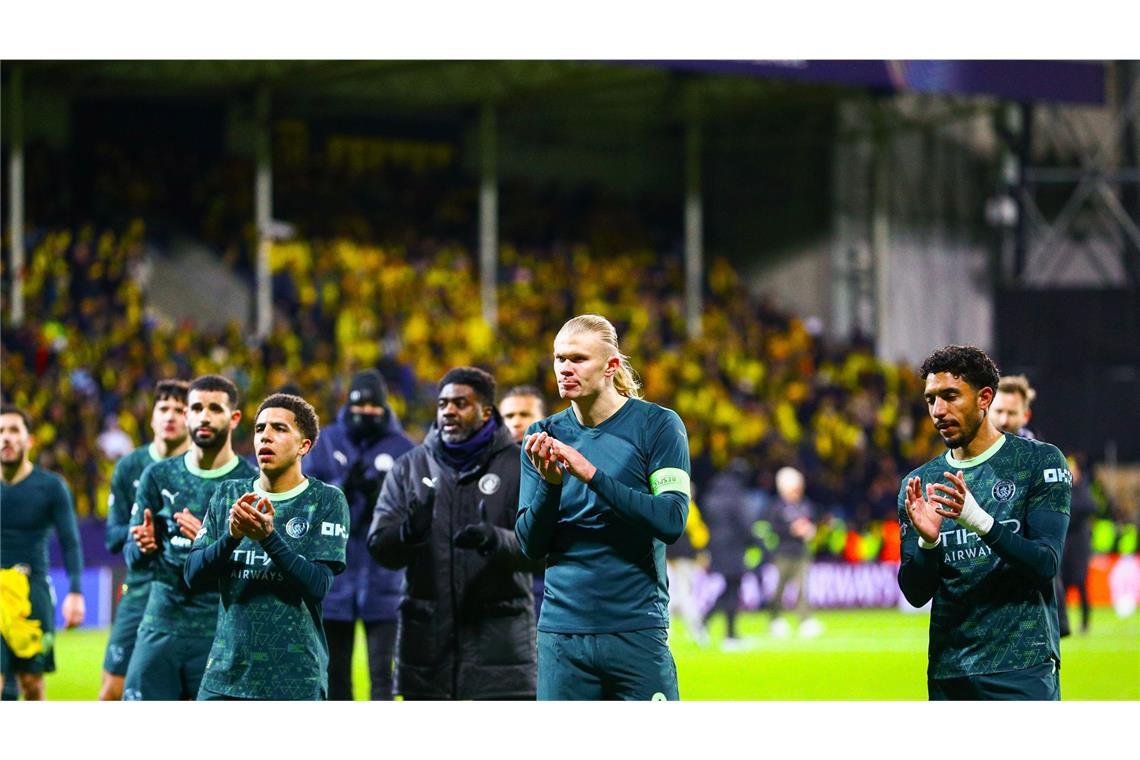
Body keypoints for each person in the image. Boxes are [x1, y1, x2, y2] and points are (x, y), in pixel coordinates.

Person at [515, 314, 690, 701]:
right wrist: (551, 485)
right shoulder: (543, 436)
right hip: (562, 635)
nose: (565, 368)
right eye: (559, 358)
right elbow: (530, 545)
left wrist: (591, 474)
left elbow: (672, 520)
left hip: (636, 630)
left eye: (578, 359)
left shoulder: (658, 426)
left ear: (611, 366)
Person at [898, 345, 1071, 700]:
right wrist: (929, 544)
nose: (938, 411)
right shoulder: (920, 483)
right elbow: (915, 594)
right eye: (931, 400)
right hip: (951, 671)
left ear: (984, 398)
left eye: (950, 396)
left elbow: (1045, 564)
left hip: (1022, 668)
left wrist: (979, 520)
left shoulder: (1037, 462)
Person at [367, 367, 535, 700]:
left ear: (487, 412)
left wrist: (495, 539)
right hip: (427, 657)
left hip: (500, 659)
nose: (448, 411)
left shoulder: (521, 467)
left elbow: (546, 552)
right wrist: (408, 533)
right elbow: (379, 547)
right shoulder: (409, 468)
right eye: (443, 404)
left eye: (461, 403)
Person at [185, 393, 349, 700]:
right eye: (260, 429)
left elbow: (318, 586)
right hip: (224, 678)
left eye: (279, 428)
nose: (266, 436)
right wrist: (232, 536)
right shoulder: (228, 493)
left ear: (305, 445)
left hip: (294, 680)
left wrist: (269, 539)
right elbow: (192, 575)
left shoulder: (325, 500)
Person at [122, 375, 258, 700]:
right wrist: (141, 547)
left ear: (234, 418)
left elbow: (259, 568)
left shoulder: (251, 483)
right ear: (187, 417)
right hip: (160, 625)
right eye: (196, 408)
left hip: (220, 633)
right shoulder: (157, 475)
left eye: (215, 408)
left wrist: (211, 546)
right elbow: (132, 557)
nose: (204, 416)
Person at [304, 369, 413, 700]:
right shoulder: (326, 442)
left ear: (385, 406)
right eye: (359, 404)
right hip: (335, 580)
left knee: (383, 678)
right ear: (348, 404)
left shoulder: (403, 447)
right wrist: (340, 489)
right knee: (335, 676)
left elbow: (418, 510)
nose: (366, 411)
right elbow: (305, 499)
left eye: (373, 405)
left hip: (386, 581)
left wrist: (388, 499)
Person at [99, 379, 190, 700]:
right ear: (151, 417)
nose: (171, 416)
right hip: (139, 591)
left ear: (192, 418)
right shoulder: (129, 466)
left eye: (180, 410)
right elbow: (112, 538)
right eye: (164, 408)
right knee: (112, 691)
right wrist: (139, 533)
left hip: (188, 595)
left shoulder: (203, 468)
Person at [0, 405, 85, 700]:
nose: (5, 438)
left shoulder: (51, 487)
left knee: (32, 684)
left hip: (33, 590)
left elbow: (70, 542)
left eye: (13, 430)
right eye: (0, 431)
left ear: (29, 440)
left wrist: (75, 591)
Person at [992, 374, 1070, 637]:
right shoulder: (974, 452)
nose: (1004, 419)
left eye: (1011, 413)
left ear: (1025, 416)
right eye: (999, 411)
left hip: (1029, 566)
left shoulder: (1042, 458)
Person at [499, 384, 548, 620]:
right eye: (509, 416)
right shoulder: (484, 467)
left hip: (545, 585)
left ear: (543, 420)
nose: (516, 422)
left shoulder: (559, 464)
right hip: (499, 585)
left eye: (525, 415)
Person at [699, 458, 756, 648]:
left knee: (730, 587)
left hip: (716, 546)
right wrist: (754, 541)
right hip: (733, 547)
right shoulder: (735, 495)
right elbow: (743, 523)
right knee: (734, 588)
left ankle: (707, 620)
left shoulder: (713, 493)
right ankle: (730, 635)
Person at [766, 466, 823, 638]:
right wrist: (791, 529)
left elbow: (811, 521)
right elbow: (773, 528)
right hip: (783, 553)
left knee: (802, 588)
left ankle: (804, 620)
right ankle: (775, 619)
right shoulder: (777, 507)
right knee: (779, 589)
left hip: (801, 552)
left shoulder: (804, 504)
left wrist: (810, 529)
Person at [1062, 454, 1097, 634]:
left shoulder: (1082, 488)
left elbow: (1091, 507)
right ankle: (1064, 621)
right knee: (1065, 583)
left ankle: (1085, 622)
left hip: (1080, 544)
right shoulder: (1063, 488)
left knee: (1081, 583)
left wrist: (1071, 509)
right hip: (1066, 542)